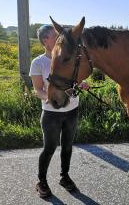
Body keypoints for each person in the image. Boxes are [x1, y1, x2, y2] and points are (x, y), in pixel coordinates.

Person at [29, 24, 89, 198]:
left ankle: (64, 176)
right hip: (51, 114)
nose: (60, 37)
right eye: (55, 35)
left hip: (72, 110)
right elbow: (37, 89)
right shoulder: (38, 62)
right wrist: (46, 98)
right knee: (49, 148)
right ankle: (41, 181)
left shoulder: (66, 57)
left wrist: (80, 84)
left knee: (68, 146)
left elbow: (72, 80)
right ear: (45, 40)